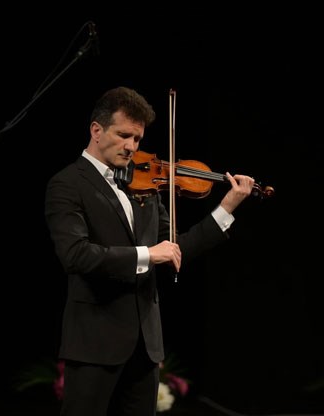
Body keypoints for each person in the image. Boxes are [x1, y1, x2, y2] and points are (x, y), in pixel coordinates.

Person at [44, 86, 255, 416]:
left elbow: (174, 249)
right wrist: (147, 254)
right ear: (96, 130)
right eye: (123, 135)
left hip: (145, 348)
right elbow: (76, 254)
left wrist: (226, 208)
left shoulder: (145, 187)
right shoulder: (68, 183)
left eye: (138, 139)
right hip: (94, 345)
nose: (131, 147)